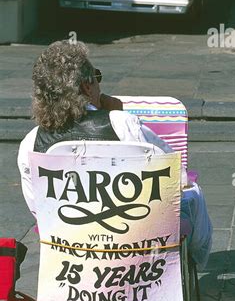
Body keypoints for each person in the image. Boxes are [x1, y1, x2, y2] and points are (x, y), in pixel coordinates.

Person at [17, 40, 212, 270]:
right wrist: (115, 115)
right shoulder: (123, 124)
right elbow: (177, 177)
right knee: (194, 193)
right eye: (96, 78)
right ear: (87, 86)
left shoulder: (30, 143)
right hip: (137, 240)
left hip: (73, 245)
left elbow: (38, 208)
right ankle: (191, 267)